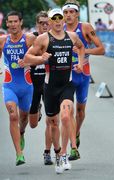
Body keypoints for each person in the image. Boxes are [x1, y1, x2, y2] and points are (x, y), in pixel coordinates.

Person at [22, 8, 85, 174]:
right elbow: (27, 58)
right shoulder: (43, 39)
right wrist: (39, 58)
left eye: (60, 18)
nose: (57, 21)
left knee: (65, 116)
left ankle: (64, 155)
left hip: (67, 84)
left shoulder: (72, 37)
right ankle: (57, 153)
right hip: (50, 87)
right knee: (53, 123)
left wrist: (80, 62)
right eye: (54, 18)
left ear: (63, 20)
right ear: (49, 22)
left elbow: (81, 47)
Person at [62, 0, 105, 160]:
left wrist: (83, 50)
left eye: (71, 12)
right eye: (66, 12)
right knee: (68, 111)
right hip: (66, 75)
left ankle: (77, 132)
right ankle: (72, 147)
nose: (68, 15)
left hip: (83, 74)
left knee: (80, 111)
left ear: (77, 14)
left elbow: (102, 49)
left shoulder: (85, 27)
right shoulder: (60, 28)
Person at [0, 11, 36, 166]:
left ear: (21, 22)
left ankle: (21, 132)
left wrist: (28, 63)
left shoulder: (29, 39)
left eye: (16, 21)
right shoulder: (2, 41)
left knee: (23, 117)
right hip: (10, 85)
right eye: (10, 22)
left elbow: (40, 58)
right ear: (6, 24)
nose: (13, 24)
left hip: (27, 86)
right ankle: (19, 154)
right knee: (13, 116)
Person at [29, 11, 54, 165]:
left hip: (49, 83)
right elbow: (25, 59)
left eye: (47, 23)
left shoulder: (55, 38)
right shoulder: (31, 38)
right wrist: (40, 59)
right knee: (32, 124)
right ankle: (36, 107)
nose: (45, 26)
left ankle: (47, 152)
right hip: (32, 84)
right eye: (42, 23)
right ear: (37, 24)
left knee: (51, 120)